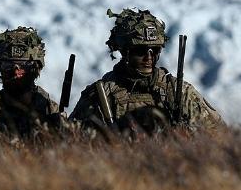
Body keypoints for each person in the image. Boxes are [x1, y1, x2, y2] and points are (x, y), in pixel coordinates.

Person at [70, 8, 224, 134]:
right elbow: (73, 143)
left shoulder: (179, 91)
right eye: (140, 51)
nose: (149, 57)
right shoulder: (101, 95)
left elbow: (220, 135)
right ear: (125, 52)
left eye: (155, 50)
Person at [0, 26, 62, 143]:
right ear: (0, 68)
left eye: (24, 65)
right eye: (8, 65)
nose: (16, 72)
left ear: (36, 68)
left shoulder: (48, 108)